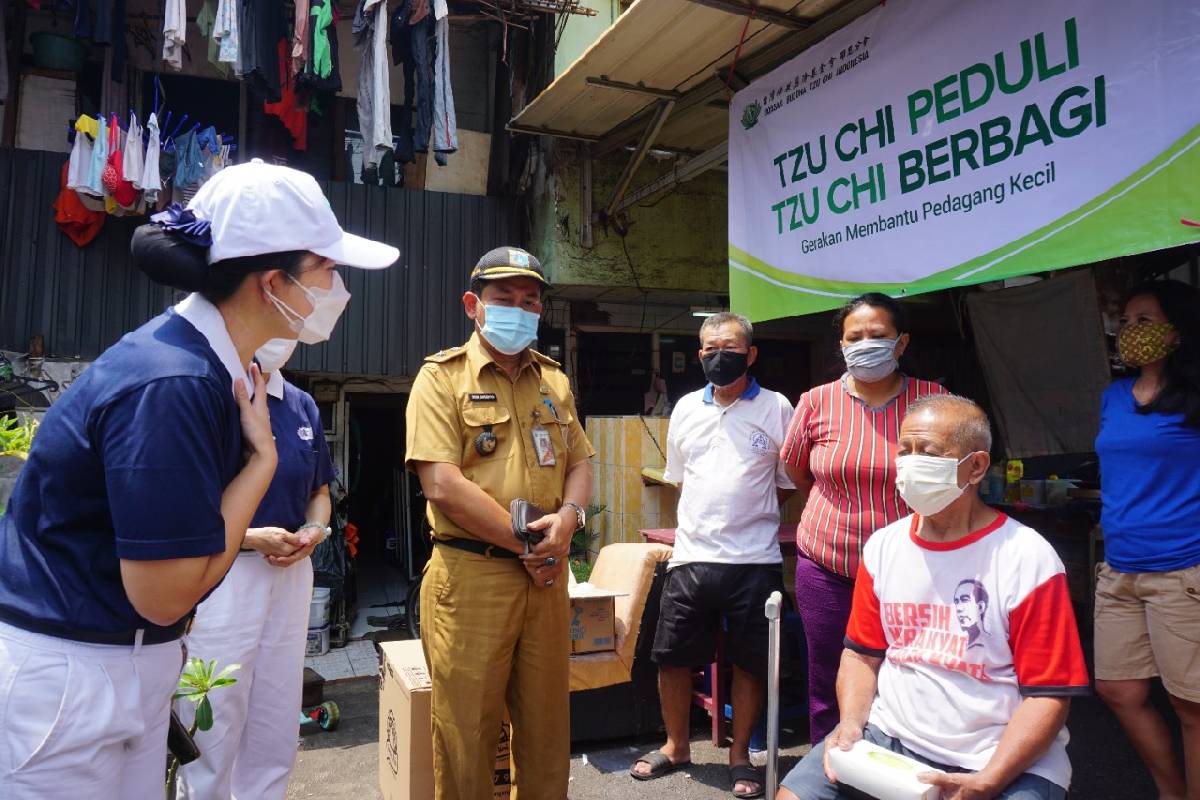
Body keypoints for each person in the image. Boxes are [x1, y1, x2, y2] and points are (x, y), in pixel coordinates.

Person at [0, 160, 397, 800]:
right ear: (272, 283)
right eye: (328, 269)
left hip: (116, 664)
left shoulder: (210, 370)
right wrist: (262, 463)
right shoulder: (175, 382)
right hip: (74, 680)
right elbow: (165, 593)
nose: (338, 287)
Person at [778, 394, 1090, 800]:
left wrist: (989, 780)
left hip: (999, 758)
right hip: (890, 739)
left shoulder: (1027, 558)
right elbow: (860, 655)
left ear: (976, 466)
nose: (909, 463)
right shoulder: (884, 547)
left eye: (928, 452)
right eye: (903, 450)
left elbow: (1048, 695)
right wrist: (852, 722)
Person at [406, 246, 595, 800]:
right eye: (504, 298)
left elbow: (579, 462)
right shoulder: (440, 378)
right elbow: (441, 484)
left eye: (530, 301)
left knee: (545, 732)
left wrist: (570, 517)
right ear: (474, 304)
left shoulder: (553, 381)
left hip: (546, 579)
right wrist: (530, 546)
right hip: (473, 580)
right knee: (466, 734)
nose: (519, 309)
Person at [629, 312, 794, 798]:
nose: (720, 355)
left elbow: (784, 483)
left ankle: (740, 755)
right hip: (691, 557)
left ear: (751, 354)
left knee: (750, 663)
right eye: (711, 347)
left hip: (755, 560)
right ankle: (676, 745)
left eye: (731, 346)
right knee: (673, 658)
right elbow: (681, 477)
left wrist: (749, 514)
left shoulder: (777, 407)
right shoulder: (684, 408)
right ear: (700, 354)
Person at [779, 293, 946, 744]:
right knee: (828, 681)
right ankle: (829, 775)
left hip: (914, 569)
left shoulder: (933, 402)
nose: (866, 344)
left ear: (902, 342)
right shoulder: (815, 402)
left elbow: (952, 476)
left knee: (910, 679)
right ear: (842, 344)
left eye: (878, 335)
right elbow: (797, 470)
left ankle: (901, 775)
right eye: (855, 337)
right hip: (828, 566)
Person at [175, 337, 337, 799]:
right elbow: (181, 505)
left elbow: (319, 492)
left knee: (276, 707)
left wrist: (315, 531)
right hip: (225, 571)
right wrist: (248, 537)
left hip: (289, 571)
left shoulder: (301, 404)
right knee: (215, 708)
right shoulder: (212, 395)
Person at [1094, 279, 1200, 800]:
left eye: (1144, 321)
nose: (1129, 331)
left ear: (1176, 333)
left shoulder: (1195, 397)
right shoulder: (1113, 396)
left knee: (1191, 706)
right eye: (1126, 321)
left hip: (1184, 569)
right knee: (1118, 689)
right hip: (1119, 568)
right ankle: (1171, 790)